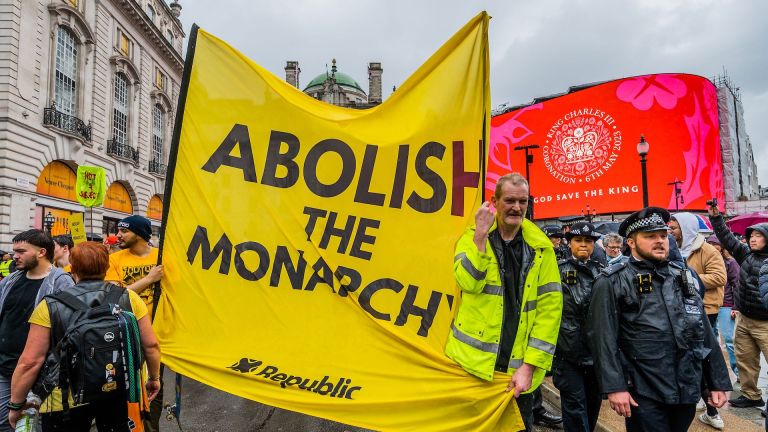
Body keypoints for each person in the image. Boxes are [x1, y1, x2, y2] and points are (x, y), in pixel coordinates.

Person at [588, 207, 731, 432]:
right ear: (632, 242)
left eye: (663, 235)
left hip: (684, 386)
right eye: (650, 236)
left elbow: (702, 332)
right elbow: (603, 339)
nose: (660, 241)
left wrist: (716, 382)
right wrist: (614, 387)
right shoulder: (611, 280)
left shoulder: (683, 277)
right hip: (643, 389)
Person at [446, 172, 563, 430]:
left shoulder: (541, 249)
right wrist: (479, 235)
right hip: (471, 369)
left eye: (523, 201)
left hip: (516, 373)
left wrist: (529, 367)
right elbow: (468, 282)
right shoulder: (471, 237)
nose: (517, 207)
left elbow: (549, 312)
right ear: (494, 202)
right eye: (510, 200)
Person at [7, 241, 161, 431]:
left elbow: (30, 361)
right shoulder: (129, 298)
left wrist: (16, 404)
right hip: (114, 389)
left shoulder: (50, 306)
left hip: (64, 399)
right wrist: (154, 377)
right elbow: (151, 345)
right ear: (106, 267)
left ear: (73, 268)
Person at [0, 230, 74, 432]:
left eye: (21, 251)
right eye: (14, 251)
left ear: (41, 252)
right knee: (5, 423)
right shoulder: (11, 280)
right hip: (7, 366)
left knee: (33, 424)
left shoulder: (61, 282)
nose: (15, 256)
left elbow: (67, 330)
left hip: (42, 372)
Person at [104, 215, 164, 431]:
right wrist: (149, 279)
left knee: (155, 388)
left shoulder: (162, 256)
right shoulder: (115, 260)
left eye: (124, 231)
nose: (118, 235)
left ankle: (150, 427)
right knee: (126, 388)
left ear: (139, 233)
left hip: (159, 335)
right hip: (126, 336)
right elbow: (114, 295)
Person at [710, 204, 768, 408]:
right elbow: (727, 238)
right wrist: (716, 219)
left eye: (758, 235)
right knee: (745, 359)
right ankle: (751, 395)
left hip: (765, 323)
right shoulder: (746, 255)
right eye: (751, 235)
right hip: (744, 318)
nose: (752, 238)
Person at [553, 222, 603, 431]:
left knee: (592, 406)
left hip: (596, 355)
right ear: (570, 242)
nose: (583, 245)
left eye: (588, 241)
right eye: (578, 240)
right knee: (574, 409)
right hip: (568, 354)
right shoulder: (556, 270)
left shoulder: (604, 272)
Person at [707, 235, 739, 377]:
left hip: (726, 305)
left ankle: (738, 372)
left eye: (716, 244)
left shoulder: (730, 263)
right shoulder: (705, 260)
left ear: (722, 246)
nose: (713, 246)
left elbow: (737, 284)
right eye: (710, 244)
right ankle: (715, 374)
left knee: (730, 339)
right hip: (708, 304)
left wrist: (736, 306)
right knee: (711, 340)